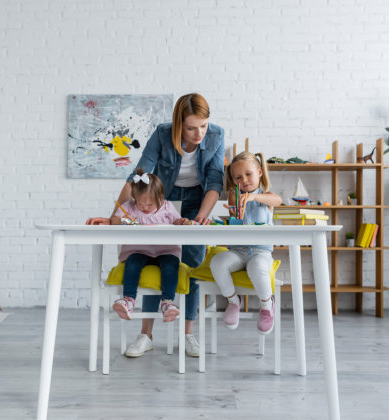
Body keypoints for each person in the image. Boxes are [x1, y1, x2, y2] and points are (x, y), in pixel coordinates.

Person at [87, 93, 225, 357]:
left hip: (198, 198)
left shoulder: (216, 136)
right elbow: (139, 175)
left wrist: (200, 219)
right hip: (160, 196)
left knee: (193, 263)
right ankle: (146, 335)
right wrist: (114, 216)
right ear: (178, 125)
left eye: (203, 126)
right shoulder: (162, 134)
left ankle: (188, 334)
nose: (199, 134)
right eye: (191, 128)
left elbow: (215, 181)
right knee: (152, 252)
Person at [87, 170, 187, 328]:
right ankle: (128, 300)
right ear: (134, 199)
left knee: (171, 266)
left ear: (160, 198)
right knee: (132, 263)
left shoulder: (167, 207)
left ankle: (168, 302)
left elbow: (177, 222)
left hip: (165, 250)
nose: (145, 208)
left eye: (149, 204)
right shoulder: (129, 207)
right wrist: (123, 220)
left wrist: (182, 222)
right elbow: (115, 220)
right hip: (138, 250)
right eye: (140, 203)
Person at [210, 151, 282, 334]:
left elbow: (277, 200)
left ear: (259, 172)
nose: (244, 180)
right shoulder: (235, 196)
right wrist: (234, 210)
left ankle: (267, 304)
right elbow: (235, 213)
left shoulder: (267, 197)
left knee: (256, 267)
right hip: (238, 251)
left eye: (248, 174)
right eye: (238, 178)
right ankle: (233, 301)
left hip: (260, 252)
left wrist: (253, 197)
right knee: (217, 262)